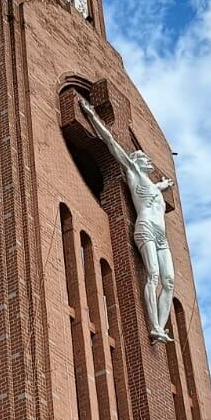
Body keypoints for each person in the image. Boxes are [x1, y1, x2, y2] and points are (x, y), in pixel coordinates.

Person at [78, 97, 175, 342]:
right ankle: (153, 325)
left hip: (161, 235)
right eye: (144, 158)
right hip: (145, 228)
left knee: (169, 281)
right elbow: (111, 143)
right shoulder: (133, 173)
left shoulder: (153, 186)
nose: (149, 161)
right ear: (136, 161)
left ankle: (160, 328)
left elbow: (157, 189)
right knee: (152, 275)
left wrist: (163, 185)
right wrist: (92, 116)